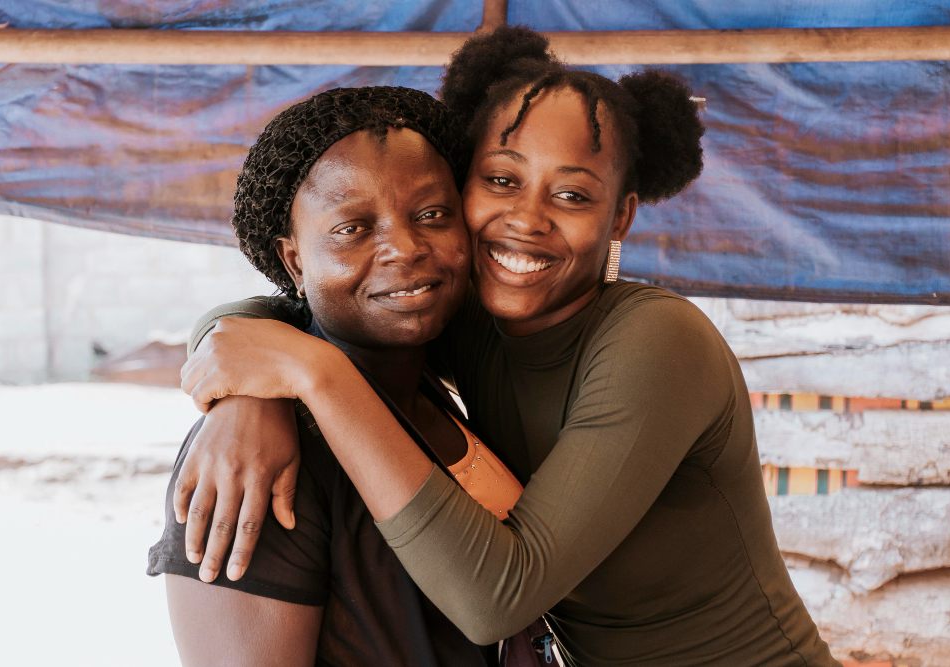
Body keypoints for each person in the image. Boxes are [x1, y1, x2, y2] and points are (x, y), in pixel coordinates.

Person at [178, 27, 839, 666]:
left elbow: (498, 596)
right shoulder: (470, 319)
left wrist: (311, 371)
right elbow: (310, 302)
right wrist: (241, 394)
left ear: (621, 216)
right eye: (501, 179)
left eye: (574, 193)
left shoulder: (657, 340)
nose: (527, 218)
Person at [148, 85, 528, 667]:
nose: (404, 247)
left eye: (432, 214)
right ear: (295, 260)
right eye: (353, 227)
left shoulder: (424, 382)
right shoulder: (260, 463)